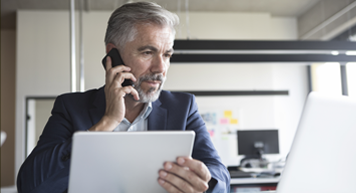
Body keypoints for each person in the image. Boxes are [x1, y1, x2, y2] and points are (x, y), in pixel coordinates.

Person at [17, 2, 230, 193]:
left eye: (166, 55)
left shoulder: (183, 108)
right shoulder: (71, 107)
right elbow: (30, 185)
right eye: (147, 52)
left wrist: (204, 184)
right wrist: (106, 123)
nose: (160, 68)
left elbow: (221, 177)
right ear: (113, 54)